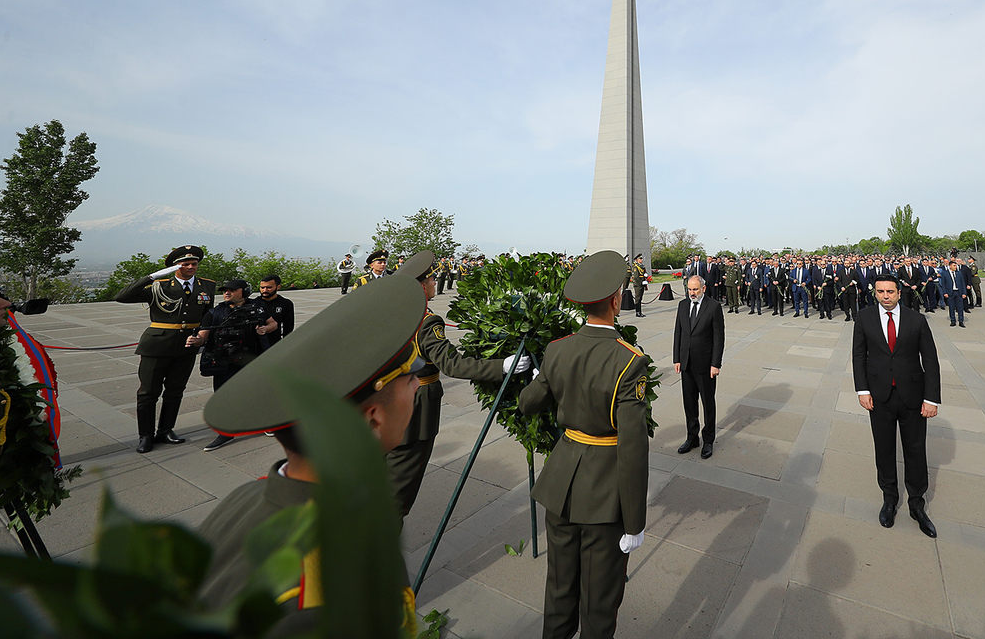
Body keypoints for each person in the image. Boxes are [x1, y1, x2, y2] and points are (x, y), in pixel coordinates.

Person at [197, 273, 427, 629]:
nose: (416, 387)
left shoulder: (246, 496)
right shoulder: (339, 575)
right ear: (372, 419)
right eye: (410, 380)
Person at [519, 250, 650, 639]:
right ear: (616, 301)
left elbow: (528, 403)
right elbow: (632, 448)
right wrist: (635, 522)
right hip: (604, 496)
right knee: (598, 605)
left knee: (559, 593)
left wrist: (533, 372)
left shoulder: (558, 349)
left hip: (560, 485)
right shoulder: (629, 362)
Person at [387, 251, 529, 515]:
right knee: (398, 494)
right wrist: (502, 366)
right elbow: (453, 364)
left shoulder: (393, 314)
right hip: (417, 408)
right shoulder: (427, 322)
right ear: (421, 287)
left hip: (389, 403)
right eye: (431, 279)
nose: (435, 283)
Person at [853, 274, 940, 538]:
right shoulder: (864, 318)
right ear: (875, 293)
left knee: (915, 449)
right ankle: (889, 498)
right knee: (884, 448)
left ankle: (917, 503)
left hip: (912, 396)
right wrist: (862, 390)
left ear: (899, 293)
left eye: (890, 291)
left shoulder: (916, 320)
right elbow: (859, 355)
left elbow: (930, 360)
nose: (885, 296)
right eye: (880, 292)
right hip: (879, 396)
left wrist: (931, 398)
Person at [115, 245, 218, 454]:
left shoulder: (207, 286)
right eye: (185, 264)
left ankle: (166, 430)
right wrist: (151, 277)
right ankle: (146, 435)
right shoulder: (159, 286)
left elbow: (208, 316)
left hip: (186, 347)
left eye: (194, 263)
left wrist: (201, 338)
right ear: (175, 266)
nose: (191, 267)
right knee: (148, 392)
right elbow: (121, 296)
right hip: (157, 346)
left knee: (175, 391)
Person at [193, 279, 277, 450]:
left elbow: (273, 323)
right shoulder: (215, 312)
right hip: (225, 361)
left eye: (232, 290)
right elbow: (202, 335)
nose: (227, 293)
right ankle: (226, 432)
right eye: (225, 290)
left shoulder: (257, 307)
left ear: (244, 291)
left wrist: (265, 329)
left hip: (252, 358)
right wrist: (196, 340)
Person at [674, 275, 725, 459]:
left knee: (707, 403)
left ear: (703, 288)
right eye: (689, 289)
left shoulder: (713, 307)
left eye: (695, 289)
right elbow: (678, 333)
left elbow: (719, 338)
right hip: (686, 363)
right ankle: (692, 437)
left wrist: (715, 364)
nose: (692, 293)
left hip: (705, 365)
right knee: (689, 403)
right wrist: (677, 358)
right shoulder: (682, 305)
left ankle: (708, 440)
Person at [257, 274, 295, 340]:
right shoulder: (255, 303)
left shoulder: (285, 303)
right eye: (262, 288)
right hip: (257, 342)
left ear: (278, 287)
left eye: (269, 287)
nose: (265, 290)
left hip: (275, 341)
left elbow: (288, 328)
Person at [939, 260, 967, 328]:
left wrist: (964, 293)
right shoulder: (945, 273)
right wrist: (945, 292)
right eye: (954, 266)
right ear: (950, 266)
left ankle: (961, 321)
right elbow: (943, 284)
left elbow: (962, 283)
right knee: (951, 307)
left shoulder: (959, 273)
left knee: (960, 308)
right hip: (950, 293)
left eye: (956, 266)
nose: (955, 267)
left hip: (958, 292)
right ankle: (953, 321)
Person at [630, 253, 647, 317]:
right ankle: (638, 312)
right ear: (637, 260)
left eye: (641, 258)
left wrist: (645, 276)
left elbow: (643, 273)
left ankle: (640, 312)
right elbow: (636, 277)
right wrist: (641, 282)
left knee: (640, 298)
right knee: (638, 299)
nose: (641, 260)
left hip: (641, 284)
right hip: (638, 284)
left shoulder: (641, 266)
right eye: (640, 259)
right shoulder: (635, 267)